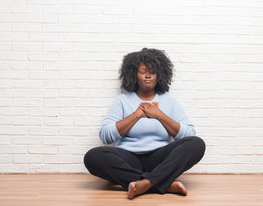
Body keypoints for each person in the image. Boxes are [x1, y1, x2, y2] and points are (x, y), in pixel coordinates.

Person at [84, 48, 206, 199]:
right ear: (134, 74)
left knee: (196, 144)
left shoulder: (170, 101)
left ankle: (144, 183)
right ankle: (161, 183)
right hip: (128, 158)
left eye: (152, 72)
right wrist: (137, 115)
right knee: (93, 157)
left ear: (160, 75)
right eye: (143, 72)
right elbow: (105, 136)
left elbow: (188, 134)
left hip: (160, 159)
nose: (148, 75)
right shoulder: (122, 101)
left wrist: (160, 116)